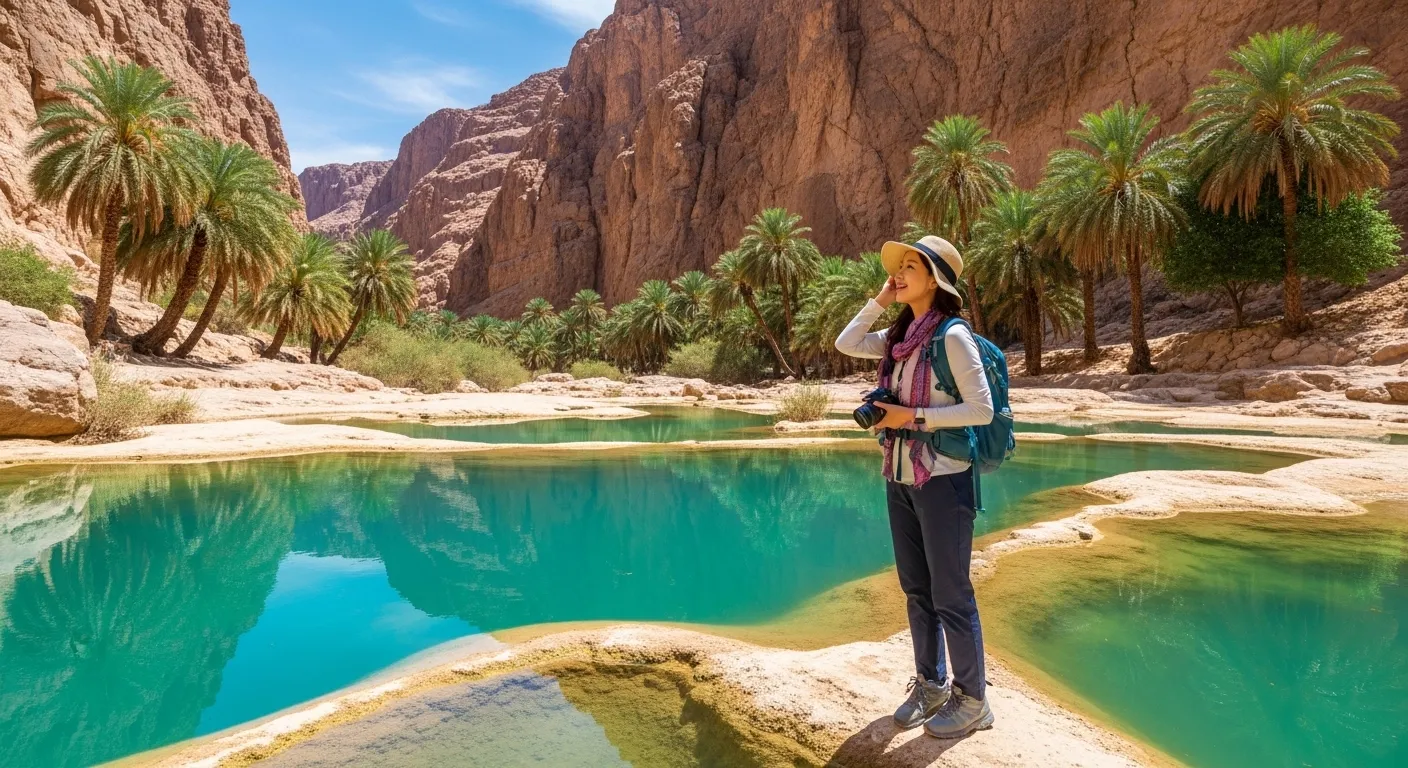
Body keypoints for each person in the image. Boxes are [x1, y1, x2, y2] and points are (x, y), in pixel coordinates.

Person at [834, 235, 995, 739]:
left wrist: (912, 416)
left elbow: (981, 409)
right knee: (916, 590)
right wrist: (882, 298)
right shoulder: (900, 337)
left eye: (910, 267)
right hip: (901, 476)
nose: (899, 274)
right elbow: (845, 341)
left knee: (951, 593)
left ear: (935, 279)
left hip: (944, 480)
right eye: (897, 267)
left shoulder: (951, 336)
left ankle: (973, 702)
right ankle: (930, 684)